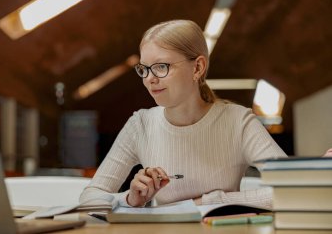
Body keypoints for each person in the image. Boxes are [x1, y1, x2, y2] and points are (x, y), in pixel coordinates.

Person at [79, 19, 310, 209]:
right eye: (144, 69)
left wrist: (214, 201)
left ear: (197, 68)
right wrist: (131, 199)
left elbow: (293, 190)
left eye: (161, 67)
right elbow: (90, 199)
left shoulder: (238, 121)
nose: (149, 78)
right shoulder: (140, 125)